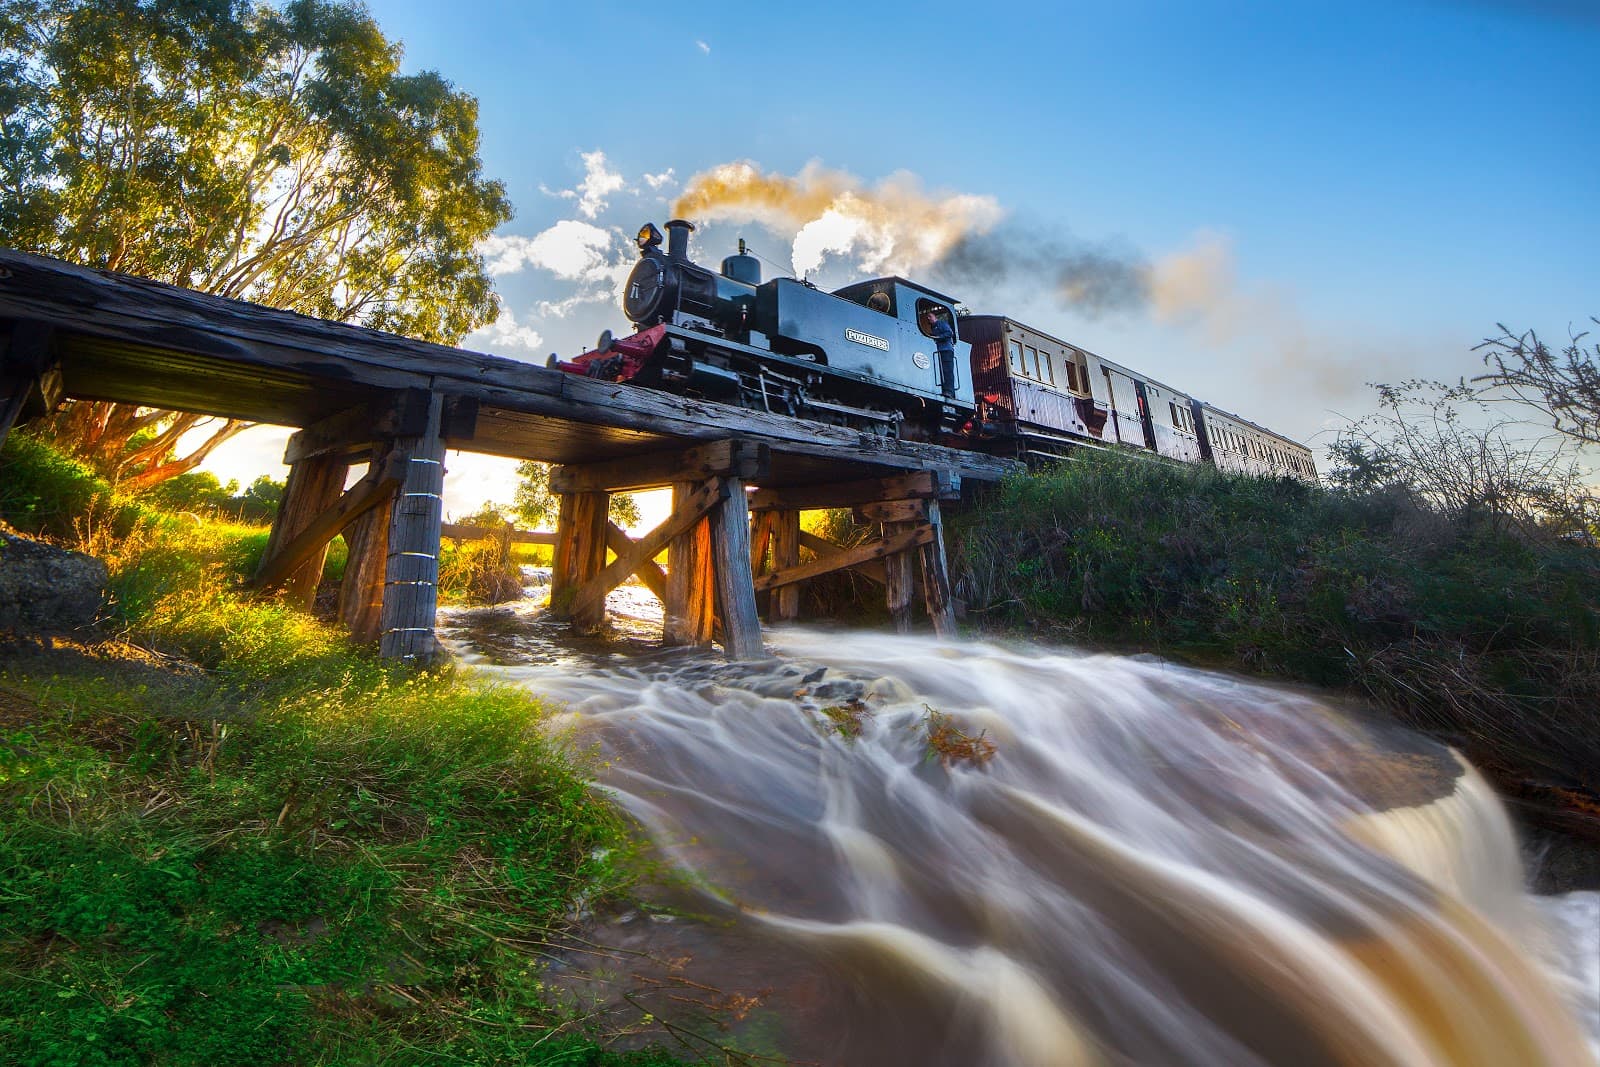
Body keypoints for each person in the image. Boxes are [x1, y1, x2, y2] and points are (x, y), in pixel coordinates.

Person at [924, 306, 958, 398]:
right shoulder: (933, 328)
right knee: (943, 371)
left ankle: (950, 392)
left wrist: (939, 337)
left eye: (930, 316)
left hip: (946, 350)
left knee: (947, 371)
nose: (928, 318)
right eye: (927, 317)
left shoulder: (941, 324)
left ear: (935, 317)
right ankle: (945, 390)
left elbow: (949, 333)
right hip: (940, 351)